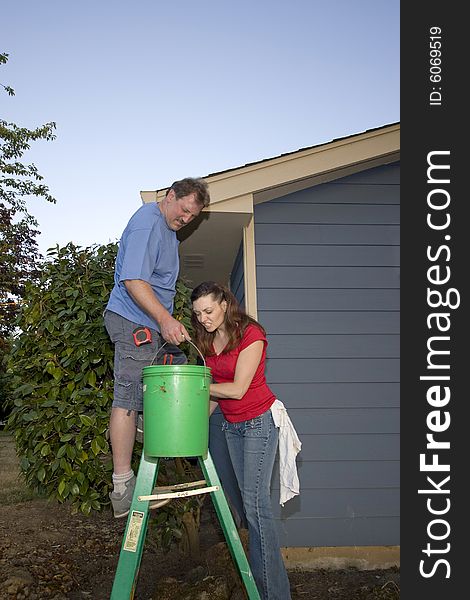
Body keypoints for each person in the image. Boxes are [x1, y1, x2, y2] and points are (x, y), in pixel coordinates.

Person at [104, 177, 210, 518]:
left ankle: (139, 425)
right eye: (184, 210)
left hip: (150, 324)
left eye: (192, 216)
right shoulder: (148, 224)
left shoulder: (168, 231)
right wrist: (165, 320)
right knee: (127, 395)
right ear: (170, 196)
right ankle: (122, 487)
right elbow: (133, 280)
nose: (185, 219)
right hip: (133, 322)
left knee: (178, 373)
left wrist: (165, 321)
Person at [191, 281, 296, 600]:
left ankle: (274, 595)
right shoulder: (207, 341)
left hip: (259, 424)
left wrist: (191, 387)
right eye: (197, 314)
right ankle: (260, 586)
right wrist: (191, 428)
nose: (204, 319)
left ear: (224, 303)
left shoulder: (251, 333)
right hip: (231, 426)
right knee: (243, 508)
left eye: (208, 311)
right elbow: (212, 398)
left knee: (256, 507)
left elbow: (236, 389)